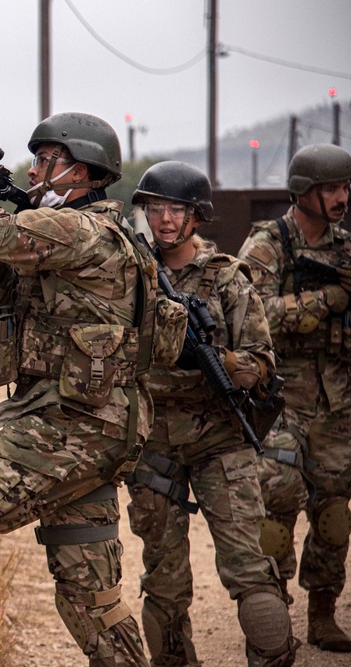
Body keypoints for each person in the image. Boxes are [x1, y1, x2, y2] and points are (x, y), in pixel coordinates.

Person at [0, 111, 188, 667]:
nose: (34, 170)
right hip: (94, 427)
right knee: (89, 592)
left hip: (75, 428)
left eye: (49, 161)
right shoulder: (79, 233)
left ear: (87, 173)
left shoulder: (84, 230)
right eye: (36, 159)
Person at [124, 161, 298, 666]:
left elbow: (264, 363)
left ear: (196, 215)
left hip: (220, 439)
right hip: (154, 442)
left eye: (175, 208)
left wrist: (216, 360)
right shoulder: (134, 274)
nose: (164, 218)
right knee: (163, 581)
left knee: (249, 571)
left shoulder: (227, 278)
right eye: (155, 208)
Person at [237, 143, 351, 653]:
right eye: (330, 188)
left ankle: (322, 613)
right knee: (278, 496)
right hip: (280, 395)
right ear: (304, 192)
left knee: (333, 511)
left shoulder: (346, 249)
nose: (341, 197)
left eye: (345, 187)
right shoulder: (268, 245)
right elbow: (247, 311)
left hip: (337, 396)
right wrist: (325, 299)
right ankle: (273, 609)